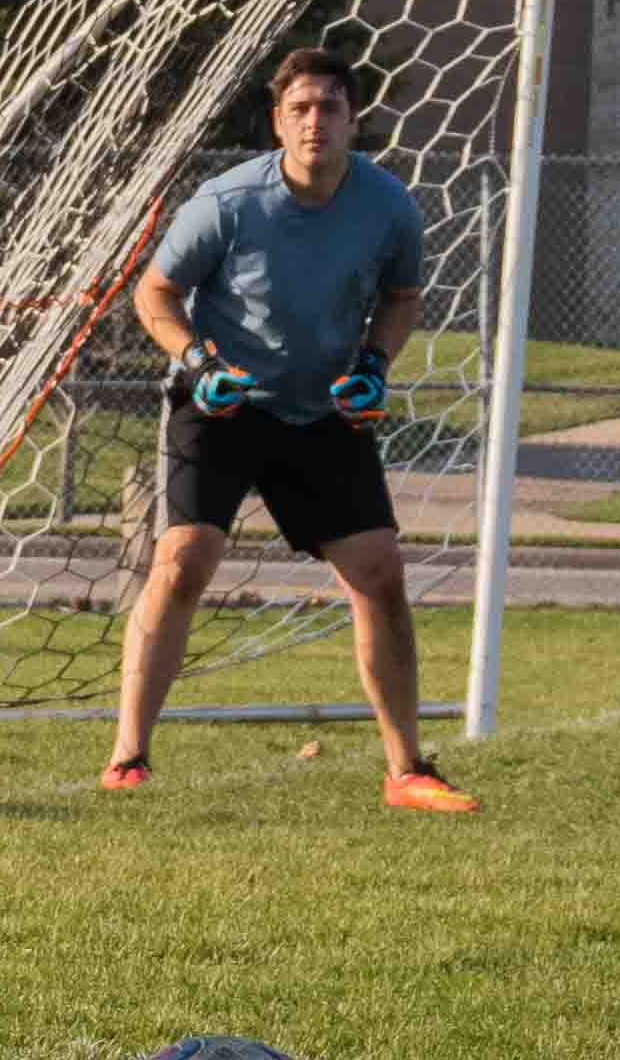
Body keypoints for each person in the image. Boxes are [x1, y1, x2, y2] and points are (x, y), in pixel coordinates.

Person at [104, 47, 477, 814]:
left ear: (353, 120)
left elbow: (401, 295)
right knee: (183, 557)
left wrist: (375, 362)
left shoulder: (388, 206)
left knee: (379, 572)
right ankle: (127, 754)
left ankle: (407, 768)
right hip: (222, 403)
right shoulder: (227, 201)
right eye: (299, 108)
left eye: (329, 107)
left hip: (321, 411)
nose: (315, 121)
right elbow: (155, 292)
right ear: (277, 122)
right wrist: (196, 359)